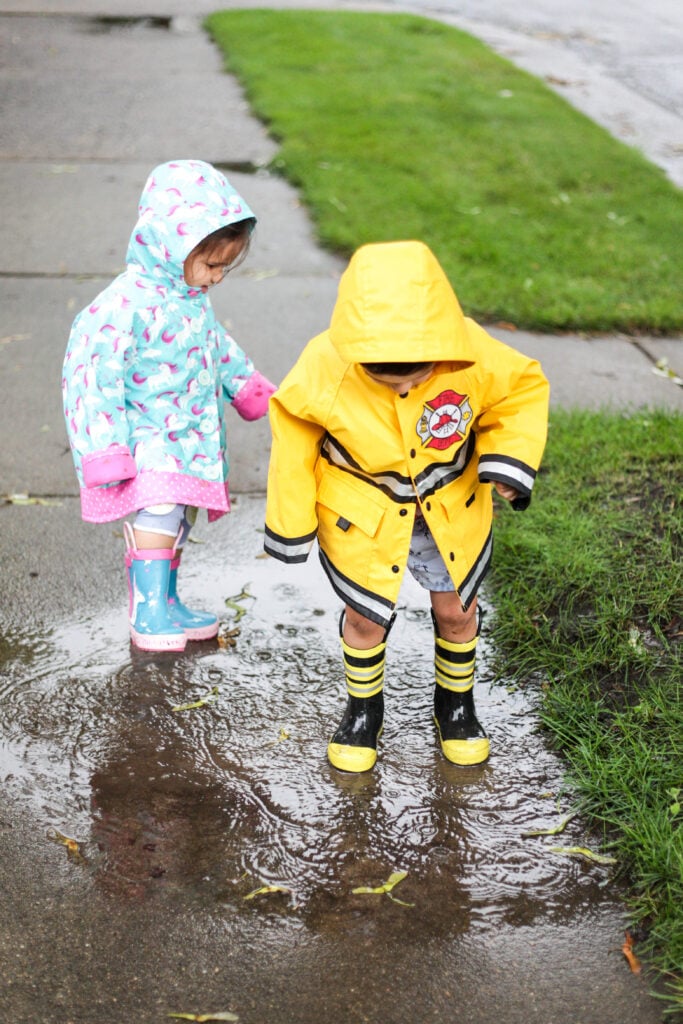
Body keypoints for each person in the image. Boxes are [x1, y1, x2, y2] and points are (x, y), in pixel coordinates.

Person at [264, 240, 549, 772]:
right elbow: (293, 433)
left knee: (457, 610)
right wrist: (292, 521)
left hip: (450, 509)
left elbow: (520, 389)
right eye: (392, 381)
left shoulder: (473, 351)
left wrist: (508, 459)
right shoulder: (325, 365)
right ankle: (362, 712)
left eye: (420, 378)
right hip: (364, 516)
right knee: (365, 616)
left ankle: (456, 706)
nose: (410, 387)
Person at [62, 159, 276, 653]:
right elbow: (91, 377)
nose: (218, 277)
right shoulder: (119, 308)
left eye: (226, 266)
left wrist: (248, 388)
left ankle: (168, 600)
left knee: (179, 518)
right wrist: (103, 449)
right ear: (168, 245)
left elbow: (217, 348)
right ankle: (148, 609)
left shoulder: (191, 298)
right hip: (146, 440)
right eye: (212, 264)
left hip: (191, 439)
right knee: (157, 513)